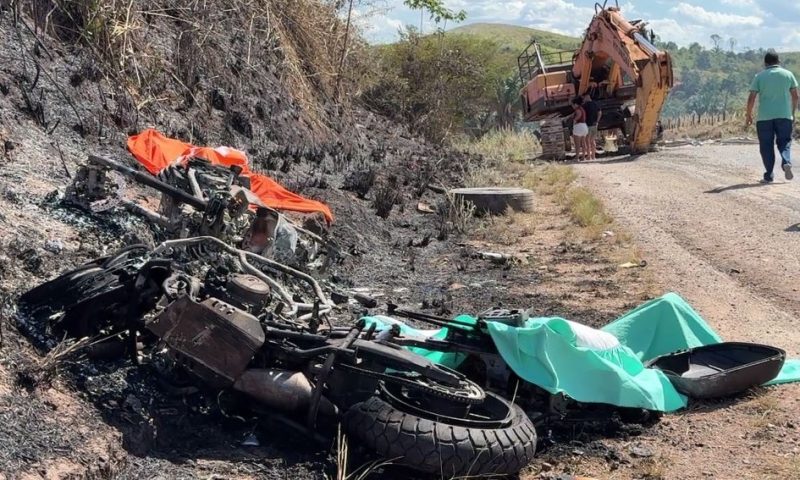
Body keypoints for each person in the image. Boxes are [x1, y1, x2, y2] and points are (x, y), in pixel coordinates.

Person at [746, 51, 798, 183]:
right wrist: (792, 112)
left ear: (765, 63)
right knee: (785, 141)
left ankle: (769, 175)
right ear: (779, 61)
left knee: (766, 146)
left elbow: (752, 97)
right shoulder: (788, 74)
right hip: (784, 115)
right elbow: (795, 96)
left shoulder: (759, 76)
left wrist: (749, 115)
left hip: (764, 117)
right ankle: (786, 162)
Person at [583, 93, 601, 160]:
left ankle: (589, 156)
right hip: (594, 125)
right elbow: (600, 113)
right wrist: (597, 121)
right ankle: (593, 156)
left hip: (588, 125)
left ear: (587, 97)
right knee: (593, 141)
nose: (583, 99)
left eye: (584, 98)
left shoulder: (585, 106)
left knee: (587, 141)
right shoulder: (595, 104)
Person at [571, 97, 589, 161]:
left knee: (577, 144)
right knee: (583, 143)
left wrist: (574, 121)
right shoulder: (582, 109)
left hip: (578, 126)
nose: (572, 106)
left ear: (575, 104)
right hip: (584, 126)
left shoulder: (577, 110)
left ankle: (577, 157)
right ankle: (583, 157)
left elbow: (578, 115)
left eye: (572, 105)